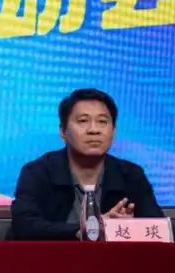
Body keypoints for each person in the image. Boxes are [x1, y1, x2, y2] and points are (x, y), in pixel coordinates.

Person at [11, 88, 163, 240]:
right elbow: (24, 226)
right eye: (83, 121)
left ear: (113, 131)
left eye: (102, 121)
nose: (94, 130)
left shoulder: (131, 175)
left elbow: (159, 229)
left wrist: (131, 227)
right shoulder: (38, 172)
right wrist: (89, 229)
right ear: (63, 131)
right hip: (51, 255)